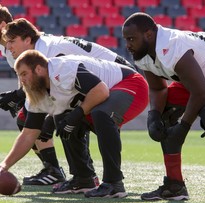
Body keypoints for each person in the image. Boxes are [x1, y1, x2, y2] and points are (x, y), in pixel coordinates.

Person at [1, 17, 135, 192]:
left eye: (12, 42)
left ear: (27, 39)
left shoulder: (46, 51)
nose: (8, 46)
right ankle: (77, 174)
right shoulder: (32, 51)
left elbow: (60, 83)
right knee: (41, 118)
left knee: (66, 117)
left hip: (117, 78)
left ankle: (93, 177)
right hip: (95, 80)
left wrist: (73, 115)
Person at [122, 12, 205, 202]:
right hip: (195, 80)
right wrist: (153, 115)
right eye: (126, 39)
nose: (128, 44)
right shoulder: (142, 52)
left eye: (131, 39)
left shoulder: (171, 46)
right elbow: (157, 89)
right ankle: (174, 184)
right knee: (165, 116)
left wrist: (184, 126)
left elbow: (201, 93)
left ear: (148, 34)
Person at [0, 6, 66, 186]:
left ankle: (82, 175)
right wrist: (18, 95)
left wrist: (17, 95)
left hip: (80, 84)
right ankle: (52, 170)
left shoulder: (29, 46)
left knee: (51, 122)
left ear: (2, 25)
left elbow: (42, 74)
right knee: (25, 119)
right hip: (63, 86)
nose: (11, 44)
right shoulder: (10, 48)